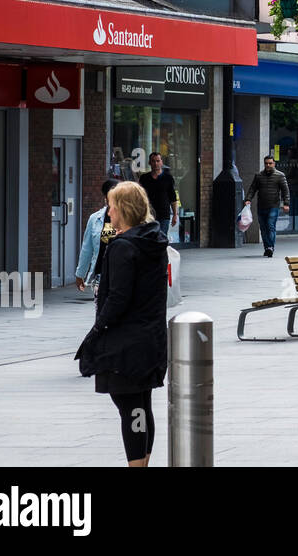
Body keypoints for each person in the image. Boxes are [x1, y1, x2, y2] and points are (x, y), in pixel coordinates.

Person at [74, 181, 168, 467]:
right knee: (141, 405)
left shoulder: (123, 247)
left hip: (125, 344)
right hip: (151, 338)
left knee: (130, 407)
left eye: (112, 206)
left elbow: (117, 298)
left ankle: (136, 465)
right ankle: (143, 463)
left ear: (123, 209)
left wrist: (96, 330)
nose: (109, 212)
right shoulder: (154, 241)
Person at [75, 179, 119, 293]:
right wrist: (80, 274)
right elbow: (87, 248)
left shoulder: (128, 218)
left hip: (121, 274)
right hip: (100, 275)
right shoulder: (96, 219)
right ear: (105, 197)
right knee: (102, 308)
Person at [244, 155, 291, 258]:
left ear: (274, 163)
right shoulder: (259, 176)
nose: (268, 165)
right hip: (261, 206)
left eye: (270, 163)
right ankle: (267, 247)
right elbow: (252, 189)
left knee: (270, 226)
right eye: (266, 163)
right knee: (263, 228)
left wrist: (286, 203)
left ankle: (271, 247)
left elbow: (285, 191)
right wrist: (248, 199)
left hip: (273, 206)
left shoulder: (280, 175)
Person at [138, 153, 177, 237]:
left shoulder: (168, 178)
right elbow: (139, 197)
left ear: (161, 162)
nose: (155, 163)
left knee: (161, 238)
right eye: (153, 161)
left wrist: (175, 215)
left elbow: (173, 198)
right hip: (148, 214)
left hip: (164, 215)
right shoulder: (144, 178)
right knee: (148, 238)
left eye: (158, 161)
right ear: (149, 162)